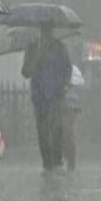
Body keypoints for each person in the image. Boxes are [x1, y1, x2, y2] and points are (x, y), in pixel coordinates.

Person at [21, 25, 72, 172]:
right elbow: (25, 72)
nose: (45, 33)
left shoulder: (59, 47)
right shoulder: (32, 47)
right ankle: (47, 162)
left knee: (57, 127)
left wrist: (63, 84)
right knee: (42, 129)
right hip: (39, 95)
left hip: (56, 93)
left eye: (48, 30)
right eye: (43, 30)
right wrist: (37, 59)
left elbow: (67, 68)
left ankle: (57, 159)